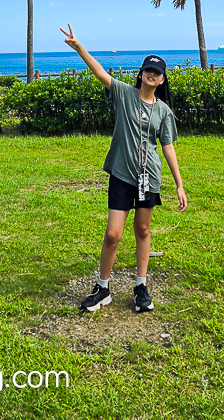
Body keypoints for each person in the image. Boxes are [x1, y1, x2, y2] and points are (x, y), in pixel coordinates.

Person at [60, 24, 187, 313]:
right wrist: (79, 46)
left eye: (156, 72)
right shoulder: (123, 94)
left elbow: (167, 147)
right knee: (113, 234)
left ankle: (141, 287)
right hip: (121, 174)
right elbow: (101, 73)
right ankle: (102, 288)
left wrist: (179, 185)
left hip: (148, 177)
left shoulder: (164, 112)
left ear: (162, 79)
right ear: (141, 74)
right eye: (147, 70)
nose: (151, 75)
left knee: (143, 230)